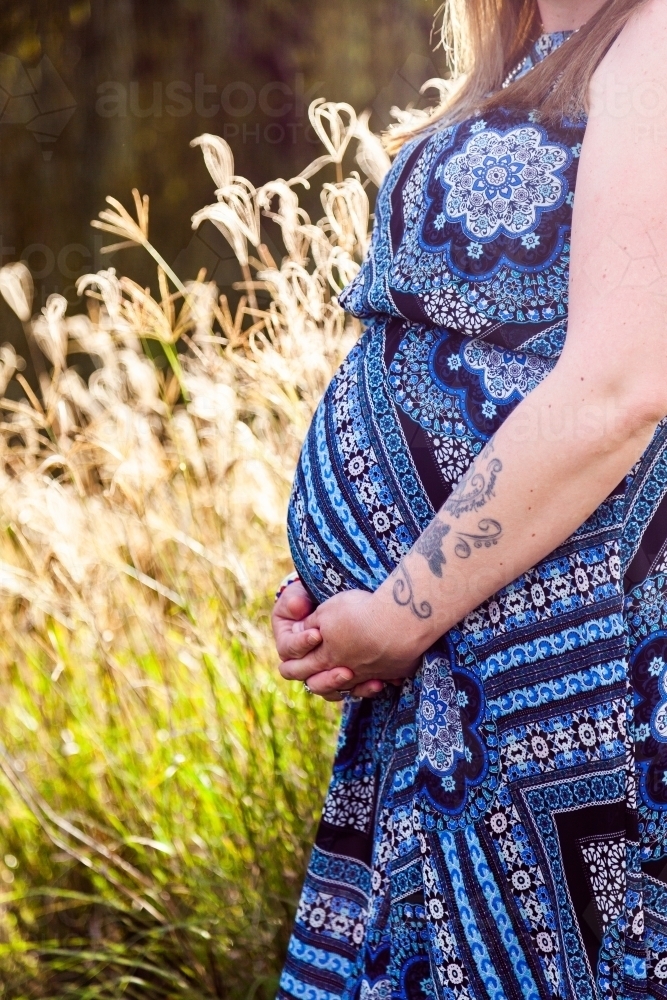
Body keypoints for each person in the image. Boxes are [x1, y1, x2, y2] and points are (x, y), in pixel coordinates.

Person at [272, 0, 667, 996]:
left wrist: (402, 605)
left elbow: (619, 388)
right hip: (448, 666)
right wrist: (344, 590)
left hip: (573, 663)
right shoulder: (520, 45)